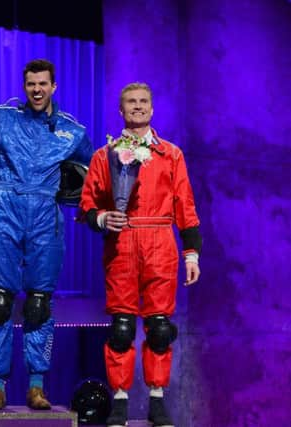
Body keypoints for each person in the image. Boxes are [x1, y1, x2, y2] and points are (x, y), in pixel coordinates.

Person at [0, 56, 93, 409]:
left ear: (54, 86)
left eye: (43, 83)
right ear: (24, 87)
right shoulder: (2, 118)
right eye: (31, 84)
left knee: (39, 302)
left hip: (45, 213)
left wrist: (91, 208)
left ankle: (37, 386)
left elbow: (94, 173)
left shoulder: (74, 132)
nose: (37, 89)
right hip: (5, 208)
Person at [79, 82, 202, 427]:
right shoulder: (104, 155)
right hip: (122, 243)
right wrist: (103, 217)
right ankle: (119, 399)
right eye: (131, 102)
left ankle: (157, 400)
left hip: (160, 242)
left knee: (159, 327)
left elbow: (185, 205)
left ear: (152, 108)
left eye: (143, 101)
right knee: (121, 327)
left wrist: (191, 254)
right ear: (120, 110)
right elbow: (88, 203)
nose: (137, 107)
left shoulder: (172, 154)